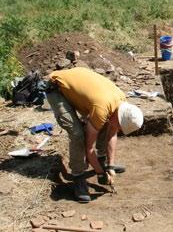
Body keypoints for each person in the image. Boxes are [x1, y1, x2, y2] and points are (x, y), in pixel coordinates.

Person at [46, 67, 144, 202]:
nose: (119, 130)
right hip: (57, 88)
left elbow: (112, 134)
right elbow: (89, 148)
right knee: (78, 135)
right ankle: (78, 176)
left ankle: (102, 161)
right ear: (120, 118)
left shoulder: (121, 103)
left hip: (78, 85)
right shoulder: (102, 109)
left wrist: (110, 165)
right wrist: (100, 173)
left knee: (106, 124)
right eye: (120, 126)